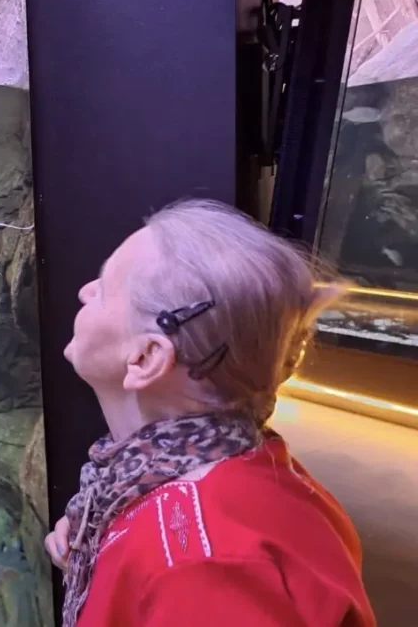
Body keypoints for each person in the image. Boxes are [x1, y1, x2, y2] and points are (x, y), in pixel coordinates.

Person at [43, 199, 376, 627]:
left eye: (105, 289)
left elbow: (196, 574)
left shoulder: (200, 570)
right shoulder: (254, 466)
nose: (85, 291)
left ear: (145, 357)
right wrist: (103, 547)